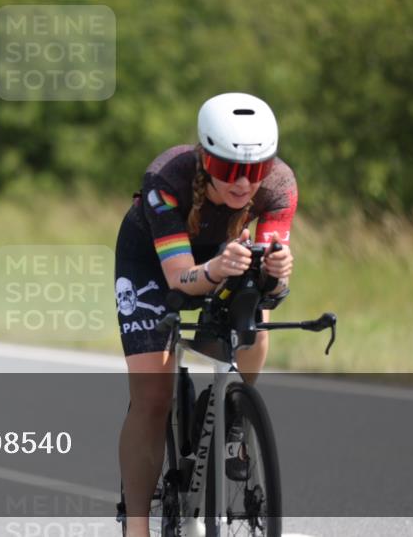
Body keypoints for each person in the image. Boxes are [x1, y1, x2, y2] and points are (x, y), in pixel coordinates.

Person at [115, 92, 296, 536]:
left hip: (223, 254)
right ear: (205, 157)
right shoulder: (167, 178)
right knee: (153, 396)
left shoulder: (279, 185)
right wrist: (215, 269)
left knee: (255, 329)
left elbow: (272, 289)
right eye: (228, 170)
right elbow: (179, 279)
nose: (243, 183)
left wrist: (277, 274)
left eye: (256, 169)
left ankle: (235, 418)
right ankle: (137, 526)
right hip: (153, 261)